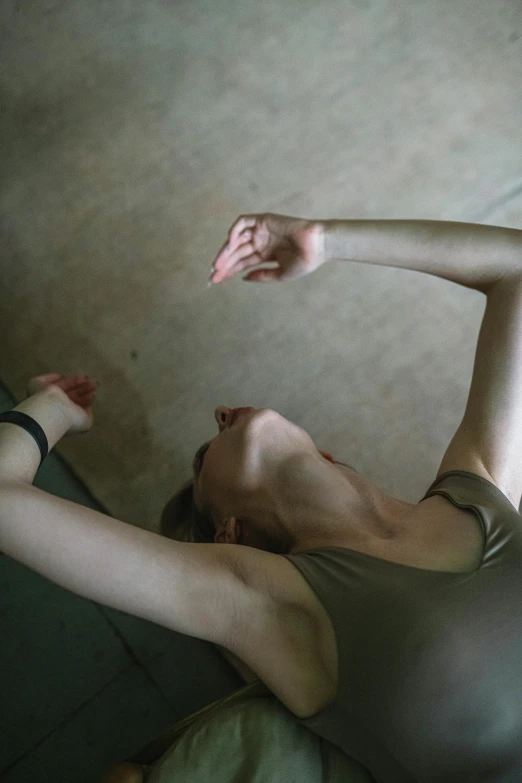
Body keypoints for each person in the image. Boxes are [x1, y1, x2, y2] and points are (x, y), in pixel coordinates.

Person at [2, 214, 522, 782]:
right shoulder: (262, 601)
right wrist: (51, 409)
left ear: (325, 456)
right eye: (204, 455)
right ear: (231, 534)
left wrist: (324, 239)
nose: (222, 411)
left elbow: (514, 268)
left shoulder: (480, 491)